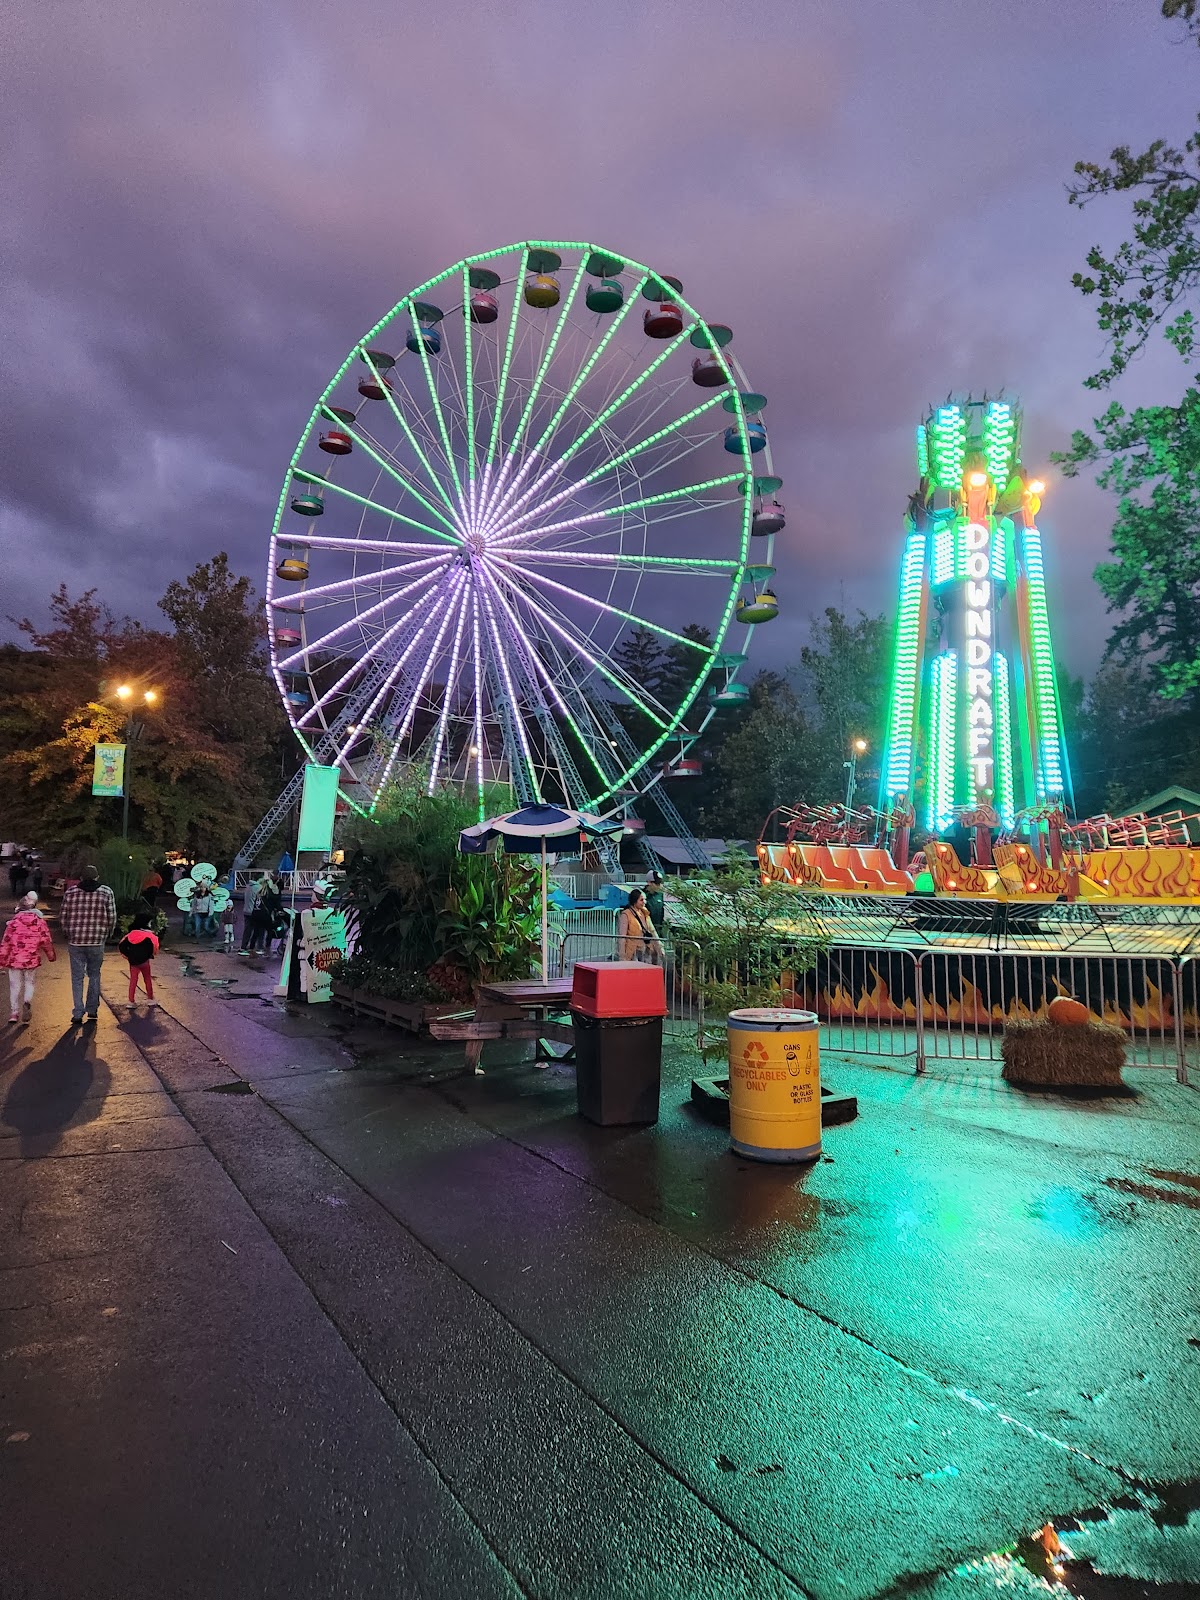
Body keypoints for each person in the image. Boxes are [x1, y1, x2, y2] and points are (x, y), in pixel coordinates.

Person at [60, 865, 117, 1024]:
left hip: (76, 941)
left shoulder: (70, 893)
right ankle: (92, 1009)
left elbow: (63, 916)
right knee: (94, 974)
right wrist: (108, 933)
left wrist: (68, 932)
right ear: (97, 877)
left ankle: (78, 1012)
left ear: (81, 878)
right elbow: (112, 917)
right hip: (97, 941)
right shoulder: (106, 892)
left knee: (77, 977)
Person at [0, 891, 56, 1023]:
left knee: (14, 986)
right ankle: (27, 1001)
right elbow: (46, 940)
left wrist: (2, 960)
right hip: (31, 959)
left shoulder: (13, 923)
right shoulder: (39, 922)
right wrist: (51, 955)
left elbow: (6, 942)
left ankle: (14, 1013)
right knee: (29, 983)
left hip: (15, 960)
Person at [118, 913, 159, 1009]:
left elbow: (121, 946)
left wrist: (128, 956)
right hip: (145, 961)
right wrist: (149, 955)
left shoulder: (130, 934)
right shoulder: (149, 935)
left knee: (133, 980)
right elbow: (155, 947)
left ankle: (131, 1001)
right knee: (147, 979)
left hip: (133, 962)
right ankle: (150, 999)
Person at [617, 888, 663, 964]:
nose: (644, 902)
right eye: (641, 900)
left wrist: (659, 947)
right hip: (632, 951)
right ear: (635, 901)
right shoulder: (626, 914)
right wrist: (622, 956)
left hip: (646, 950)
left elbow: (652, 931)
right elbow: (622, 936)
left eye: (645, 899)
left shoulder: (645, 912)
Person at [644, 871, 666, 935]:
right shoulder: (642, 896)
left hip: (658, 930)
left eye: (660, 883)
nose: (660, 886)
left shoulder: (660, 895)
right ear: (649, 883)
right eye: (657, 883)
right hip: (646, 931)